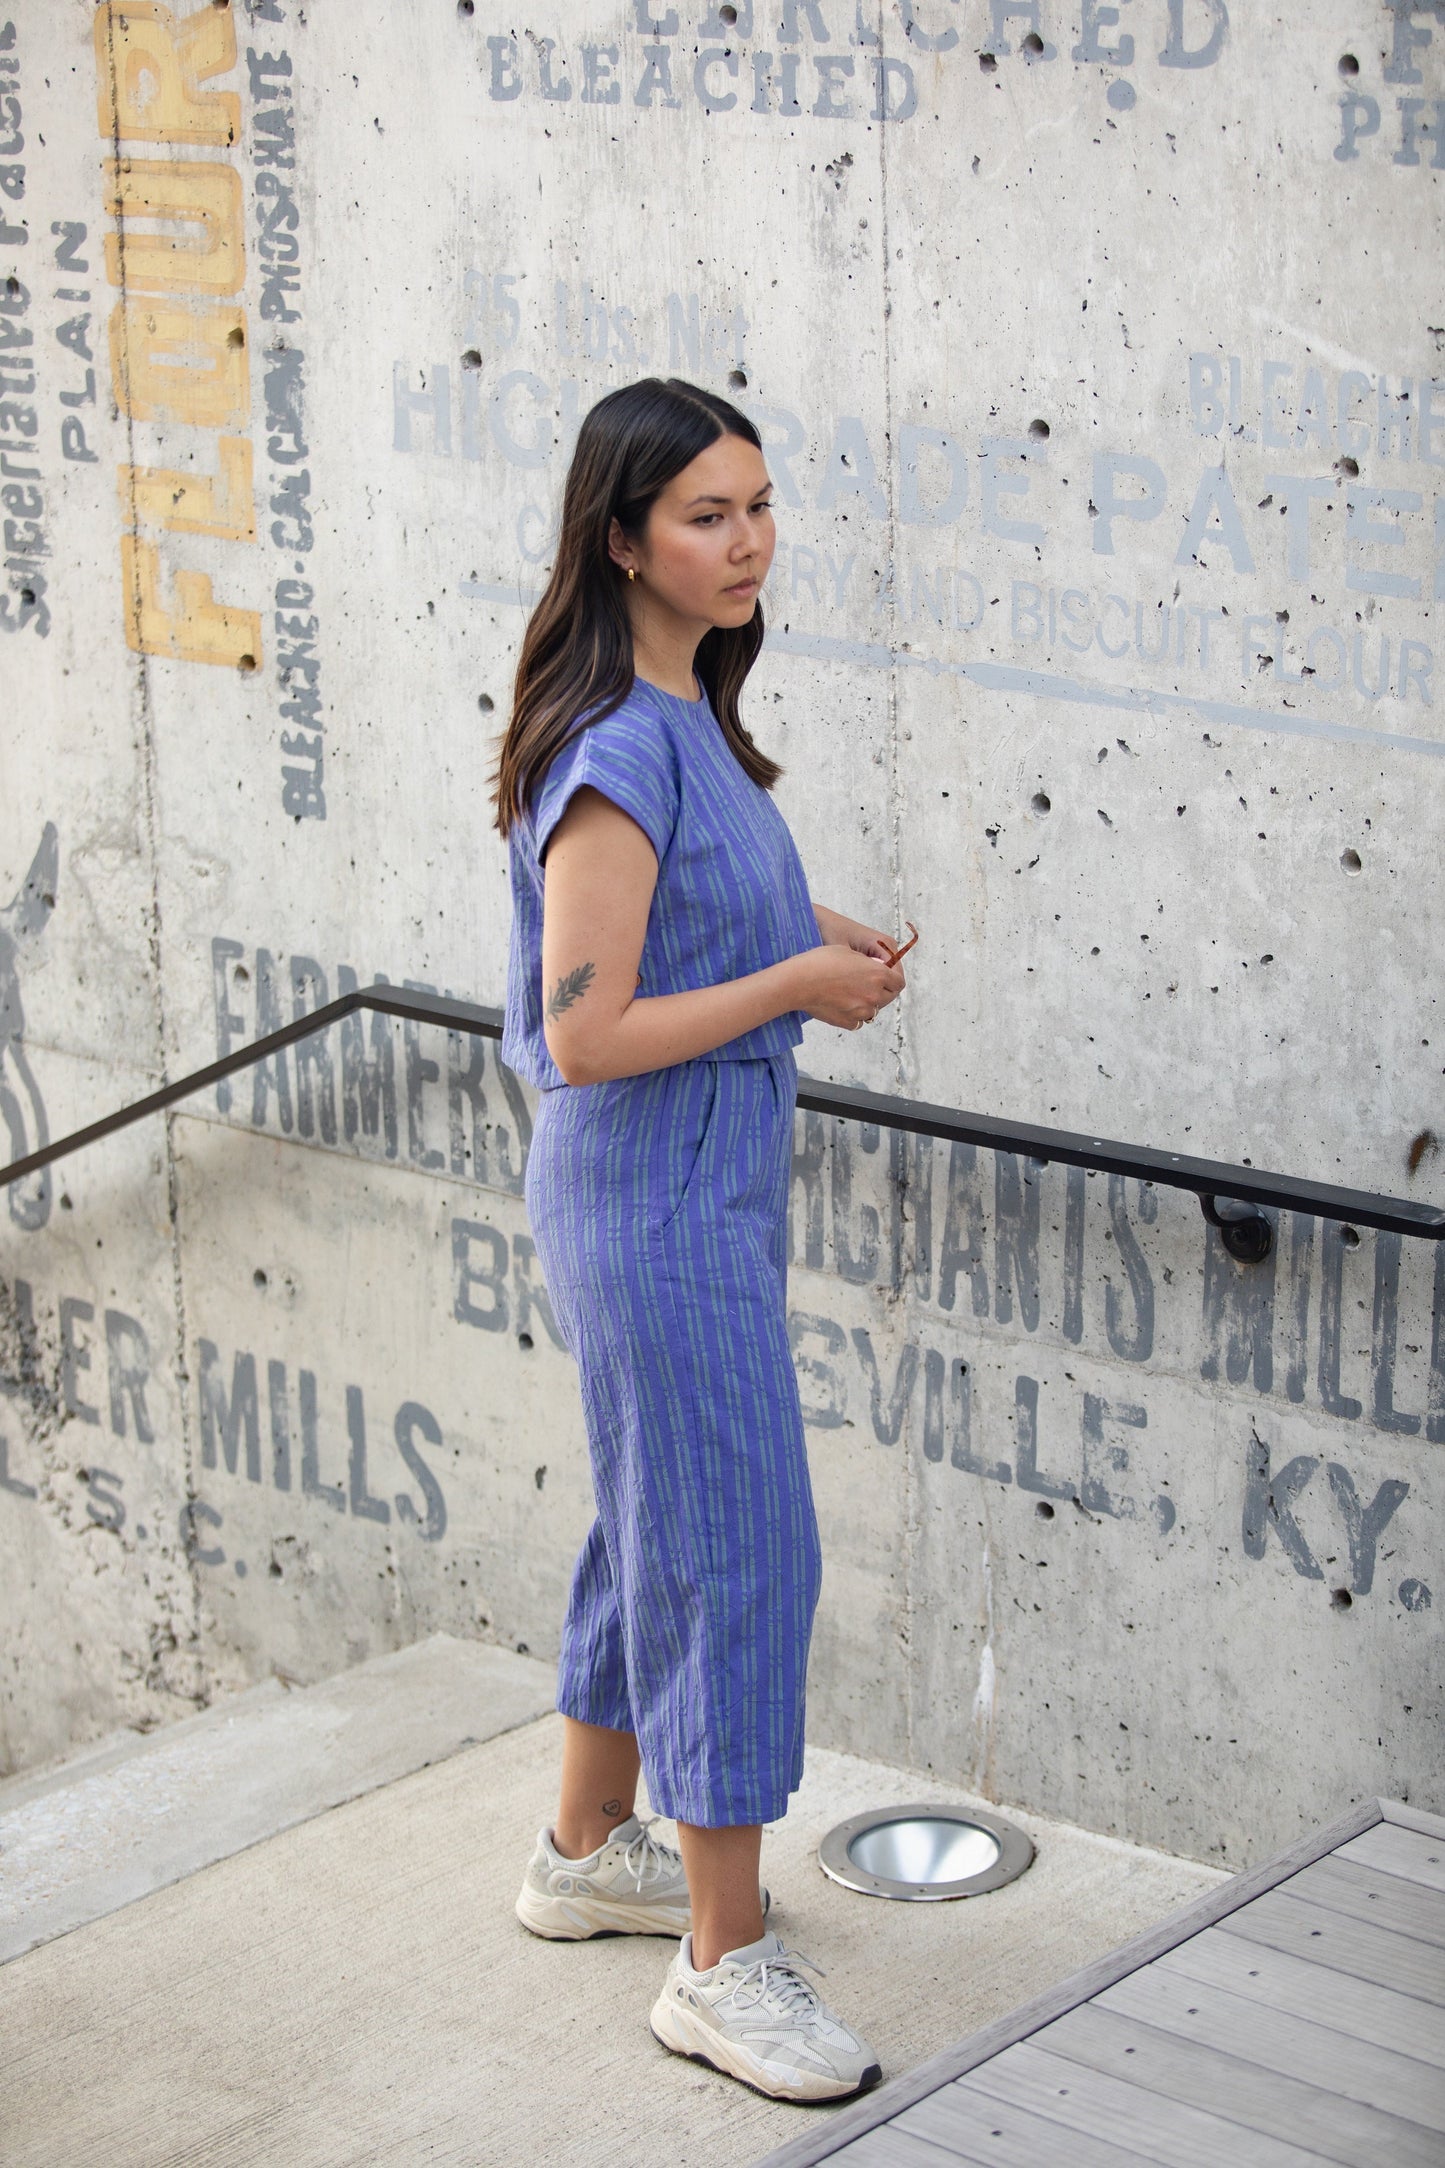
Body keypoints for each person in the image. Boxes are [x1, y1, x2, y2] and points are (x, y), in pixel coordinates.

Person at [494, 377, 906, 2104]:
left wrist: (811, 930)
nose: (743, 544)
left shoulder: (684, 708)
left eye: (754, 507)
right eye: (702, 517)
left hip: (695, 1195)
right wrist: (804, 989)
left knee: (654, 1520)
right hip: (650, 1197)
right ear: (621, 539)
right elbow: (583, 1027)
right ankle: (723, 1967)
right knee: (732, 1544)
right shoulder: (616, 745)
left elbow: (679, 923)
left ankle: (588, 1843)